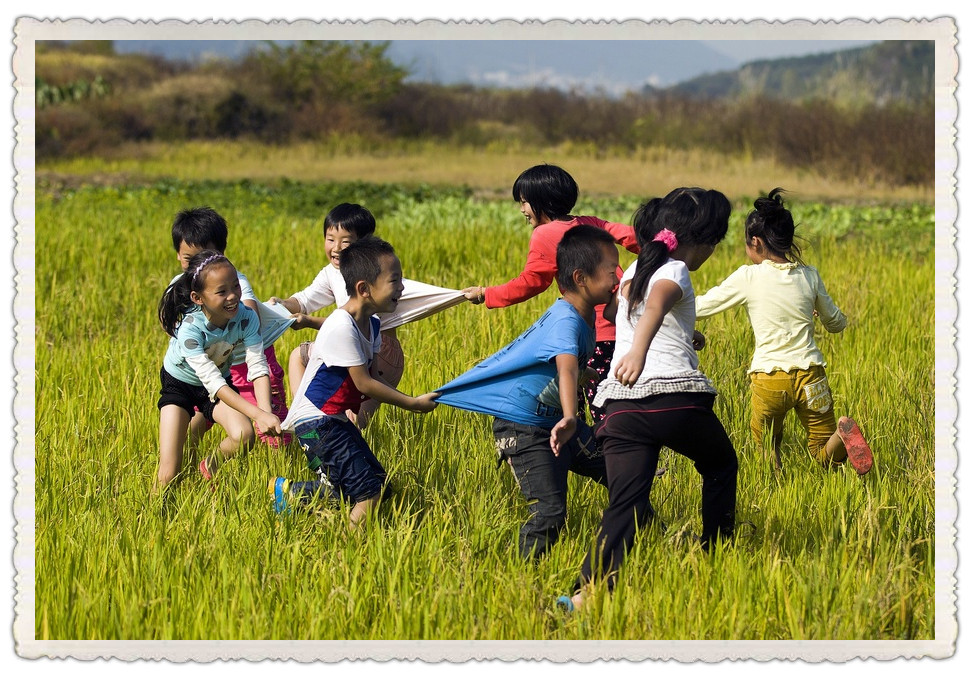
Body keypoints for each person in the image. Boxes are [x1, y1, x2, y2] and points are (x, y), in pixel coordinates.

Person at [559, 187, 738, 612]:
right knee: (720, 464)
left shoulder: (636, 267)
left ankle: (586, 594)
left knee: (627, 502)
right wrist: (640, 349)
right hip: (672, 398)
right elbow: (657, 304)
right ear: (707, 242)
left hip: (620, 407)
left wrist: (681, 333)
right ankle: (716, 556)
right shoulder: (675, 269)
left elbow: (623, 311)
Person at [436, 225, 621, 560]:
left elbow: (569, 367)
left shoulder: (582, 314)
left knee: (623, 474)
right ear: (581, 277)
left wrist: (586, 374)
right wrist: (569, 416)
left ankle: (654, 537)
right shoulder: (567, 321)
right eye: (612, 273)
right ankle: (524, 576)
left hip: (555, 422)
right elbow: (564, 366)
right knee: (550, 512)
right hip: (526, 430)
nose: (616, 281)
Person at [695, 188, 872, 475]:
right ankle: (842, 436)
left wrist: (663, 300)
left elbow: (701, 307)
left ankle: (776, 485)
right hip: (811, 376)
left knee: (766, 444)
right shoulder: (809, 276)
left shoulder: (748, 276)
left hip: (770, 379)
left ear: (755, 241)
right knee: (820, 449)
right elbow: (836, 323)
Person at [269, 236, 439, 530]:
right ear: (364, 288)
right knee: (368, 494)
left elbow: (369, 379)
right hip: (315, 425)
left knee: (376, 485)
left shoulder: (372, 325)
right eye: (395, 281)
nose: (402, 288)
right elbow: (364, 384)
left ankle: (290, 493)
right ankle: (346, 556)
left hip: (331, 422)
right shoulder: (341, 325)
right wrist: (412, 403)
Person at [461, 163, 639, 426]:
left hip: (595, 331)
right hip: (624, 324)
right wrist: (657, 255)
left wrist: (487, 294)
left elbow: (531, 282)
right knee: (613, 396)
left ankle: (603, 455)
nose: (522, 209)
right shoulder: (589, 222)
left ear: (541, 201)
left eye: (524, 202)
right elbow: (631, 236)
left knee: (591, 401)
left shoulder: (545, 234)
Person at [271, 203, 463, 428]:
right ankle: (313, 419)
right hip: (373, 353)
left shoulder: (368, 278)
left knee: (301, 358)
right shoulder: (333, 272)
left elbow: (352, 327)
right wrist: (282, 304)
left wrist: (309, 322)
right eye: (330, 239)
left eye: (346, 241)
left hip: (378, 352)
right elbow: (304, 300)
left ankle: (309, 420)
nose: (337, 248)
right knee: (351, 419)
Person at [156, 250, 282, 490]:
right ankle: (155, 516)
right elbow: (214, 383)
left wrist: (266, 411)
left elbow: (257, 365)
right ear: (198, 297)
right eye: (222, 291)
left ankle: (208, 467)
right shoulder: (189, 330)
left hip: (216, 382)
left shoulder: (246, 318)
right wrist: (258, 415)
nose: (233, 296)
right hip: (180, 384)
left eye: (236, 286)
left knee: (244, 435)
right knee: (169, 472)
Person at [169, 206, 291, 450]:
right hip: (211, 365)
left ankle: (282, 467)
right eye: (189, 259)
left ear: (221, 254)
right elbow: (174, 327)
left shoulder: (234, 284)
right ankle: (191, 460)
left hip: (249, 360)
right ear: (178, 256)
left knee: (273, 424)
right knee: (203, 413)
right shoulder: (180, 287)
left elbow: (249, 314)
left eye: (206, 256)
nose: (199, 266)